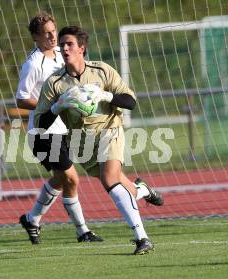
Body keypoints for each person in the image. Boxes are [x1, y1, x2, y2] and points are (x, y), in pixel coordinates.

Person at [33, 26, 164, 255]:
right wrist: (57, 106)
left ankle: (142, 237)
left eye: (69, 44)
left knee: (109, 178)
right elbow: (40, 125)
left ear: (82, 48)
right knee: (119, 185)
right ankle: (141, 190)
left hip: (110, 129)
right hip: (81, 141)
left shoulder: (102, 71)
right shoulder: (54, 83)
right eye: (62, 44)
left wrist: (105, 95)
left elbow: (130, 101)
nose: (64, 48)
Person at [15, 13, 103, 244]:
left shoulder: (61, 56)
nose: (53, 36)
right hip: (43, 132)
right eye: (46, 33)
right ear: (35, 36)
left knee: (60, 178)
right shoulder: (33, 64)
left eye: (54, 31)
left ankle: (32, 219)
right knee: (71, 178)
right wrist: (54, 104)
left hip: (62, 128)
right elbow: (21, 100)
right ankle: (82, 231)